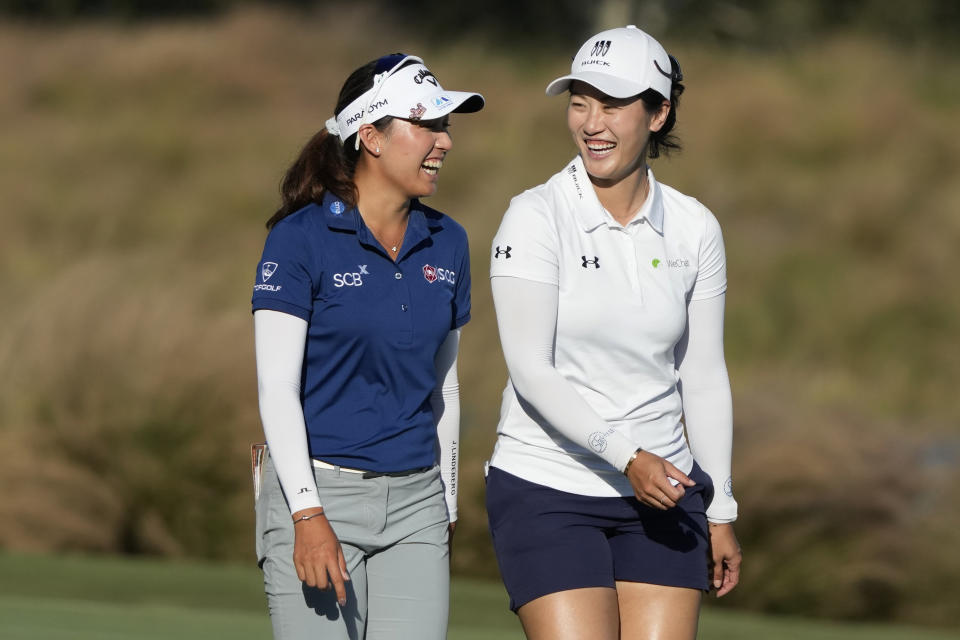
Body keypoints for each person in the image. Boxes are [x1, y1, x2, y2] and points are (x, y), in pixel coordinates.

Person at [485, 25, 742, 639]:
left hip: (665, 491)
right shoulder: (535, 216)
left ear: (659, 113)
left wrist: (722, 508)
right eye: (579, 102)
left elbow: (703, 375)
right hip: (548, 485)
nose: (591, 123)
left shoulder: (694, 227)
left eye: (613, 104)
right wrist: (626, 456)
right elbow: (531, 370)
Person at [250, 53, 483, 640]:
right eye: (427, 124)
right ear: (371, 135)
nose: (444, 141)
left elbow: (444, 386)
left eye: (445, 126)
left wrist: (446, 506)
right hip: (319, 494)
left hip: (416, 504)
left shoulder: (448, 241)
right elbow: (277, 388)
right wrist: (306, 514)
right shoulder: (299, 239)